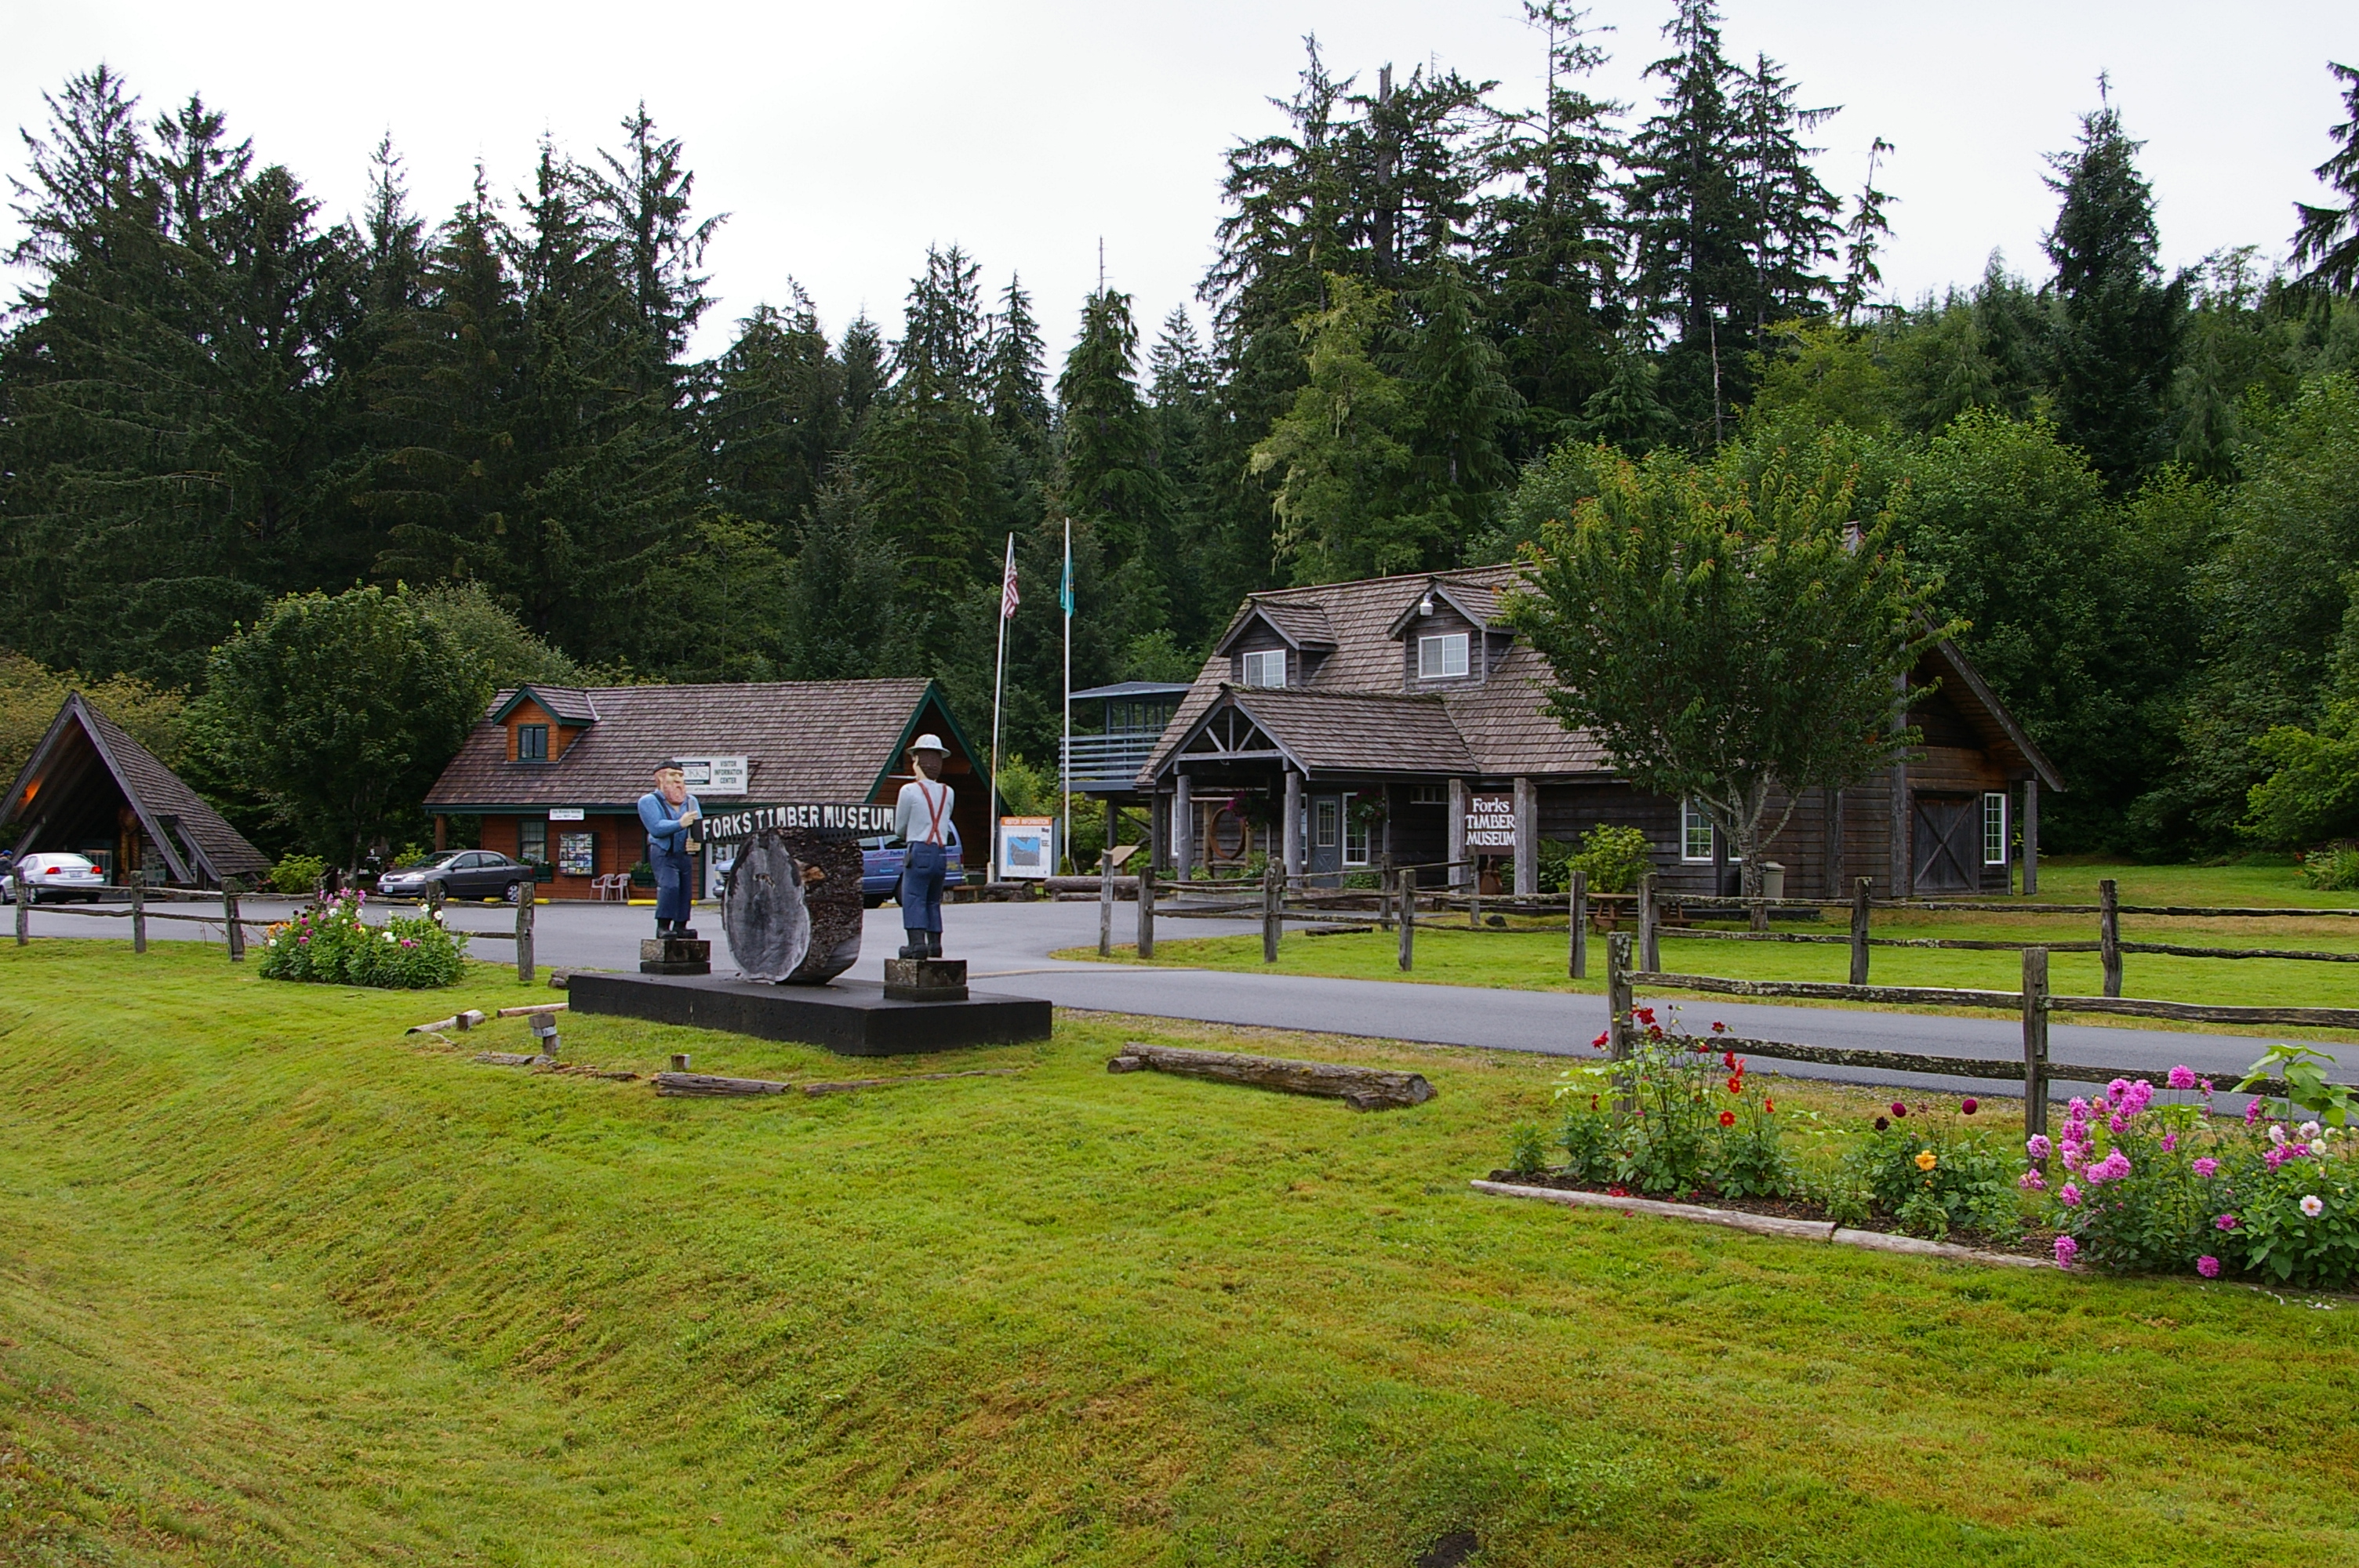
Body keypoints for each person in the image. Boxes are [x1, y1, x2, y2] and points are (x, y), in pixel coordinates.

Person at [893, 735, 958, 959]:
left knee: (913, 897)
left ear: (918, 761)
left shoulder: (908, 791)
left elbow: (900, 827)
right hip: (940, 852)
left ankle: (916, 945)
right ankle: (935, 944)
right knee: (933, 899)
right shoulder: (948, 792)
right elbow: (946, 818)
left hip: (919, 849)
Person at [637, 762, 703, 938]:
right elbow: (656, 827)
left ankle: (681, 924)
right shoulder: (649, 801)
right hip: (664, 852)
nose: (678, 781)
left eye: (681, 776)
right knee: (670, 887)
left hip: (684, 853)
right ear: (660, 778)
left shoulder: (691, 801)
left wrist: (698, 842)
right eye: (673, 775)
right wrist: (680, 823)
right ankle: (663, 925)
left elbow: (699, 826)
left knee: (685, 890)